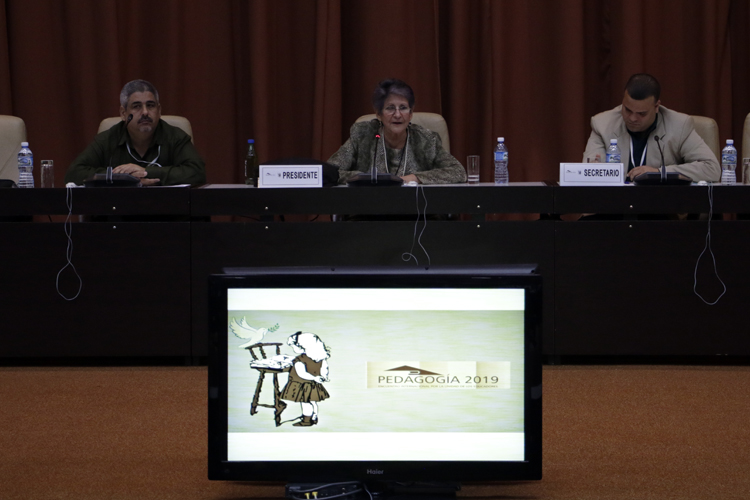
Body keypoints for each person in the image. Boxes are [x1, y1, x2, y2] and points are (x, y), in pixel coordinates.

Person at [64, 79, 206, 186]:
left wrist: (145, 172)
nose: (145, 112)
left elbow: (197, 172)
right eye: (137, 106)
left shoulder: (175, 136)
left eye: (150, 106)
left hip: (165, 211)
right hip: (119, 211)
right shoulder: (108, 139)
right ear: (123, 113)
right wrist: (123, 178)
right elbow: (74, 173)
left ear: (159, 111)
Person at [582, 73, 720, 182]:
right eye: (627, 110)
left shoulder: (679, 125)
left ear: (656, 107)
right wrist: (594, 169)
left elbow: (712, 169)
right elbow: (588, 169)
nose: (632, 118)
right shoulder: (602, 124)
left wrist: (659, 173)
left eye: (641, 113)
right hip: (614, 203)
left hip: (661, 203)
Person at [328, 78, 467, 185]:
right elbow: (329, 172)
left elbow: (458, 172)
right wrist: (365, 178)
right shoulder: (363, 134)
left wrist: (415, 178)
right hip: (370, 207)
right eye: (390, 108)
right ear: (379, 114)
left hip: (416, 209)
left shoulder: (426, 140)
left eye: (403, 108)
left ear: (411, 113)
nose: (398, 115)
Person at [280, 331, 330, 427]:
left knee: (305, 403)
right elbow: (325, 368)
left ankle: (306, 420)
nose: (293, 349)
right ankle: (314, 416)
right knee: (313, 401)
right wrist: (323, 377)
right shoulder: (320, 358)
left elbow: (302, 374)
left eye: (294, 346)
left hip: (302, 385)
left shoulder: (300, 359)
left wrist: (314, 378)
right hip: (313, 384)